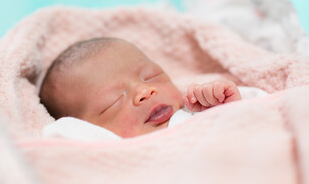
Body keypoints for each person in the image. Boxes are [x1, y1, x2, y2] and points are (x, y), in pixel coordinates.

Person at [39, 37, 242, 138]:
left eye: (151, 76)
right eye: (113, 102)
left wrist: (225, 107)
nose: (145, 91)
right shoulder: (106, 152)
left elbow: (258, 117)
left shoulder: (197, 112)